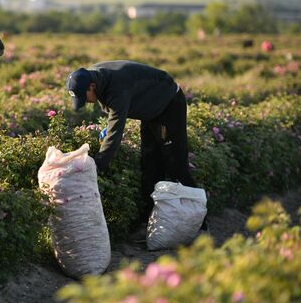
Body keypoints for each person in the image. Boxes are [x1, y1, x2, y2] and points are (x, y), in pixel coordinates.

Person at [66, 61, 202, 230]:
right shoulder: (95, 77)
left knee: (176, 165)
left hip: (168, 102)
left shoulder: (116, 87)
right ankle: (150, 223)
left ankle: (200, 224)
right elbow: (114, 112)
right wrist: (108, 127)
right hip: (150, 109)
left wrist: (97, 164)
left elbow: (115, 133)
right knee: (150, 164)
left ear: (91, 86)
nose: (86, 101)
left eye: (84, 97)